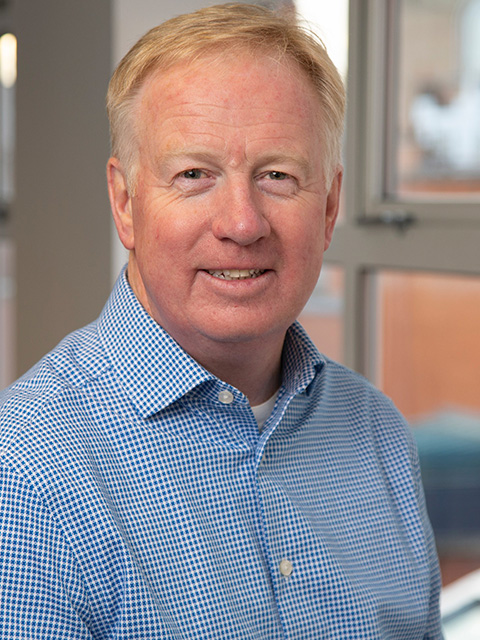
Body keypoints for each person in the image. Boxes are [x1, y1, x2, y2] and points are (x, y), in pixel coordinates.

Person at [0, 4, 443, 638]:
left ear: (329, 207)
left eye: (278, 175)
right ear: (125, 203)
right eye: (194, 175)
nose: (242, 223)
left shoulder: (378, 435)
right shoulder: (25, 473)